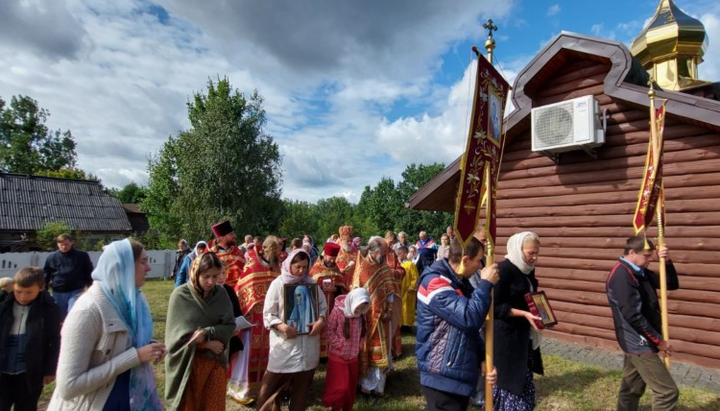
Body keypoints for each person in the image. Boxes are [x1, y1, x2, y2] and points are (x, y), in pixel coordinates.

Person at [48, 239, 165, 411]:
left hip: (130, 400)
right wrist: (135, 357)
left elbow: (121, 343)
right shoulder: (87, 311)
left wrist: (148, 346)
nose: (148, 268)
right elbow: (69, 386)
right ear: (122, 266)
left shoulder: (133, 301)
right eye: (142, 262)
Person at [416, 237, 499, 411]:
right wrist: (485, 285)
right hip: (442, 375)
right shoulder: (435, 283)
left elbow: (467, 330)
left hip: (455, 372)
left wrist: (482, 357)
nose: (481, 266)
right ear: (465, 260)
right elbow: (469, 318)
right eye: (478, 261)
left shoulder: (456, 281)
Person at [606, 235, 680, 411]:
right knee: (667, 393)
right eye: (647, 256)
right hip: (638, 342)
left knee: (632, 389)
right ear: (632, 252)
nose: (651, 259)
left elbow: (671, 284)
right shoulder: (622, 276)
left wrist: (667, 262)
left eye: (651, 255)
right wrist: (658, 341)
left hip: (641, 340)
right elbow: (633, 316)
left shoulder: (640, 272)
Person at [256, 249, 327, 411]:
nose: (301, 270)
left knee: (301, 392)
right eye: (298, 267)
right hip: (285, 347)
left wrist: (320, 321)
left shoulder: (312, 284)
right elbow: (268, 313)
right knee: (270, 390)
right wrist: (282, 327)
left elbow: (323, 307)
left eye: (304, 266)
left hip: (308, 347)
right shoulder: (278, 284)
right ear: (289, 265)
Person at [164, 252, 236, 411]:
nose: (211, 282)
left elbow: (230, 326)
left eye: (215, 276)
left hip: (215, 364)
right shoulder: (180, 296)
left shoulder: (221, 294)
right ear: (195, 273)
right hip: (190, 366)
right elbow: (175, 339)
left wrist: (208, 331)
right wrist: (206, 344)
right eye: (206, 276)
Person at [227, 236, 283, 405]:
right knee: (249, 353)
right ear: (271, 250)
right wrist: (250, 310)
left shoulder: (277, 268)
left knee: (270, 353)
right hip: (255, 320)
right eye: (279, 251)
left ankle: (266, 388)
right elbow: (243, 291)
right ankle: (244, 390)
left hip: (271, 319)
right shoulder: (252, 265)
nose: (281, 255)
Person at [493, 231, 544, 411]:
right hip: (507, 337)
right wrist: (523, 314)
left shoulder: (528, 269)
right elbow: (495, 306)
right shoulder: (504, 270)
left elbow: (530, 296)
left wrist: (541, 310)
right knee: (510, 382)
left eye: (537, 252)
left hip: (524, 335)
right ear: (518, 249)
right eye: (531, 253)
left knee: (523, 376)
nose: (535, 257)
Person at [0, 267, 62, 411]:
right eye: (18, 292)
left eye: (29, 292)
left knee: (26, 406)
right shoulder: (4, 306)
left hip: (31, 372)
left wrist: (50, 369)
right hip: (3, 369)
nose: (22, 297)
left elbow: (54, 340)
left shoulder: (49, 309)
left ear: (41, 288)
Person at [352, 237, 395, 396]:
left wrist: (389, 310)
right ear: (375, 250)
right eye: (383, 251)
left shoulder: (384, 266)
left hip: (383, 317)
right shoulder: (362, 267)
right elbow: (355, 292)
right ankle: (365, 386)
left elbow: (389, 290)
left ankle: (378, 387)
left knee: (381, 350)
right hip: (364, 316)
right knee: (366, 351)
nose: (385, 255)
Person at [322, 288, 371, 411]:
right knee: (340, 387)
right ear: (352, 302)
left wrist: (359, 344)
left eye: (362, 308)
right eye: (358, 307)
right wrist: (340, 344)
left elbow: (364, 332)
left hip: (353, 357)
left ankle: (347, 407)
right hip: (338, 357)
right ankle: (335, 407)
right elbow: (328, 330)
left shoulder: (361, 315)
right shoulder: (338, 312)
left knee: (350, 387)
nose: (359, 310)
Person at [310, 242, 347, 358]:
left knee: (333, 326)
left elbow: (344, 287)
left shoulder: (337, 270)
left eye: (334, 259)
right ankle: (319, 353)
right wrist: (321, 287)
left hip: (332, 306)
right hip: (318, 306)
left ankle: (330, 350)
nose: (332, 261)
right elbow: (310, 287)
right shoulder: (315, 269)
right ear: (325, 255)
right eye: (331, 258)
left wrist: (337, 288)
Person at [43, 233, 94, 318]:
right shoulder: (51, 257)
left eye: (66, 244)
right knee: (60, 316)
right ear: (57, 244)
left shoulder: (82, 256)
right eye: (61, 244)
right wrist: (44, 287)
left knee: (73, 313)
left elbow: (88, 271)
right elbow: (47, 273)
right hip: (58, 291)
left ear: (71, 243)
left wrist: (91, 286)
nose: (64, 247)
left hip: (76, 290)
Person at [208, 220, 245, 289]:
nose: (234, 236)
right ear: (222, 238)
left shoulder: (238, 252)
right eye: (231, 234)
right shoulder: (211, 255)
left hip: (237, 291)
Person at [396, 245, 419, 331]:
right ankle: (401, 324)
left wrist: (412, 287)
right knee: (401, 307)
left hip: (408, 290)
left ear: (405, 254)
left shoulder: (410, 264)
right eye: (397, 253)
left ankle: (407, 325)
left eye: (400, 253)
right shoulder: (399, 264)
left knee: (408, 308)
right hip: (400, 289)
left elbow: (415, 277)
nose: (398, 255)